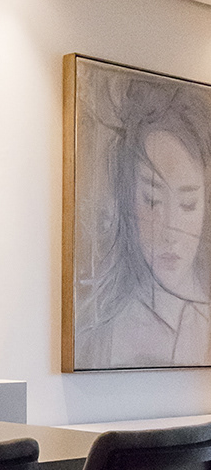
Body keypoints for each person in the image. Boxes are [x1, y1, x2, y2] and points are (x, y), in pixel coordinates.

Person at [78, 73, 211, 368]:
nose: (170, 232)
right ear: (127, 200)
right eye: (152, 201)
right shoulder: (102, 330)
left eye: (188, 204)